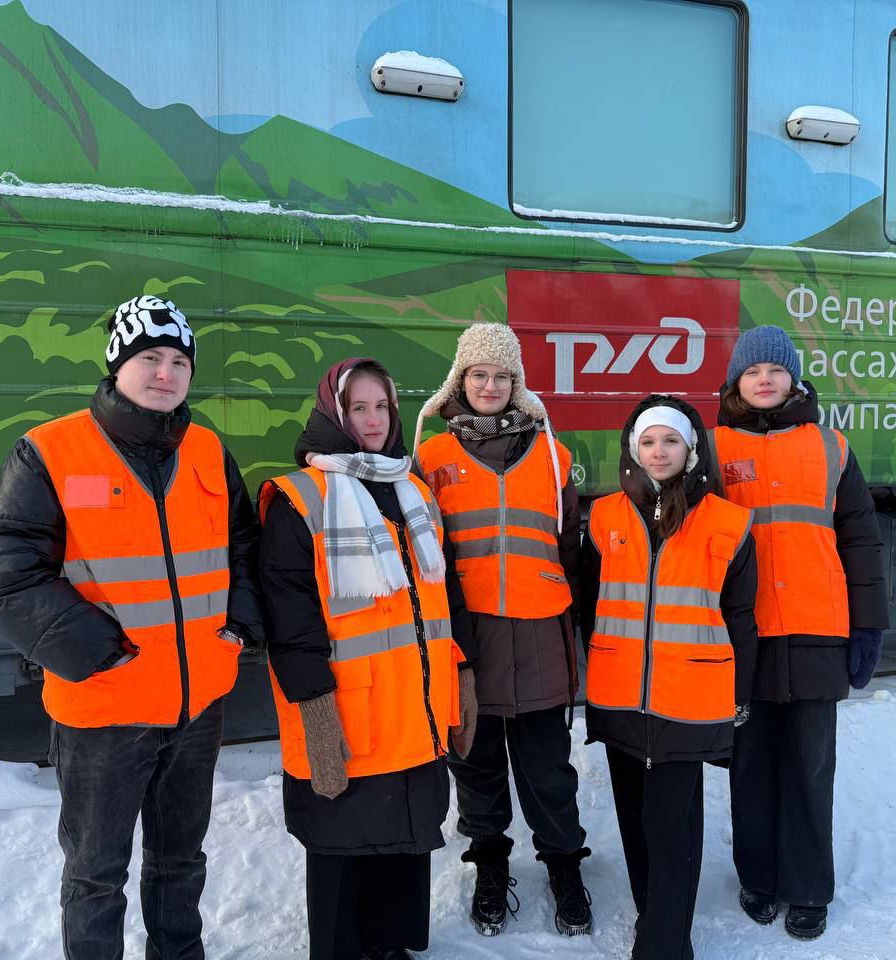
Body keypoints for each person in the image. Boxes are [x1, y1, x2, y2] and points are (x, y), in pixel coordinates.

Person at [0, 294, 264, 960]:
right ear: (116, 363)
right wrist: (103, 655)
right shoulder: (49, 450)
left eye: (179, 362)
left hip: (197, 707)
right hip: (104, 713)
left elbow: (244, 548)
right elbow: (6, 578)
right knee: (95, 876)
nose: (165, 373)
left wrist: (240, 628)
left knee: (181, 861)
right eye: (149, 357)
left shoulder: (207, 450)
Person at [258, 357, 478, 960]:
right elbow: (289, 620)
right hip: (348, 714)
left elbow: (445, 596)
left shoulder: (414, 491)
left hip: (416, 710)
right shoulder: (300, 498)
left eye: (382, 407)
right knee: (341, 848)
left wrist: (462, 671)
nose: (374, 419)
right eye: (359, 408)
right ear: (334, 414)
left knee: (404, 842)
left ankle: (393, 947)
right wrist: (315, 709)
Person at [412, 323, 591, 938]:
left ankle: (565, 867)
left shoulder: (554, 455)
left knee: (548, 769)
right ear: (459, 381)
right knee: (476, 763)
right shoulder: (431, 458)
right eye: (478, 374)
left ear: (518, 384)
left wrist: (578, 629)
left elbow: (570, 552)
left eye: (502, 376)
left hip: (541, 636)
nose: (490, 386)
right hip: (470, 639)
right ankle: (490, 865)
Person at [713, 325, 889, 941]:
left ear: (794, 378)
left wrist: (868, 624)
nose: (764, 380)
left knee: (810, 769)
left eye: (776, 370)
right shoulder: (712, 448)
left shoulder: (831, 447)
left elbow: (862, 540)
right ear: (736, 382)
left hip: (818, 630)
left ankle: (809, 886)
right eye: (752, 371)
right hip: (744, 636)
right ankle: (758, 878)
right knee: (750, 765)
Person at [580, 394, 759, 960]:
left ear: (691, 448)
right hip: (619, 695)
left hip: (689, 699)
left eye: (671, 441)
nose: (659, 452)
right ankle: (653, 914)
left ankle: (664, 942)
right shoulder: (604, 517)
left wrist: (739, 697)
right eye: (649, 441)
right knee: (636, 820)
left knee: (670, 825)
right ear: (635, 450)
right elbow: (588, 604)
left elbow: (740, 617)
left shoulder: (727, 522)